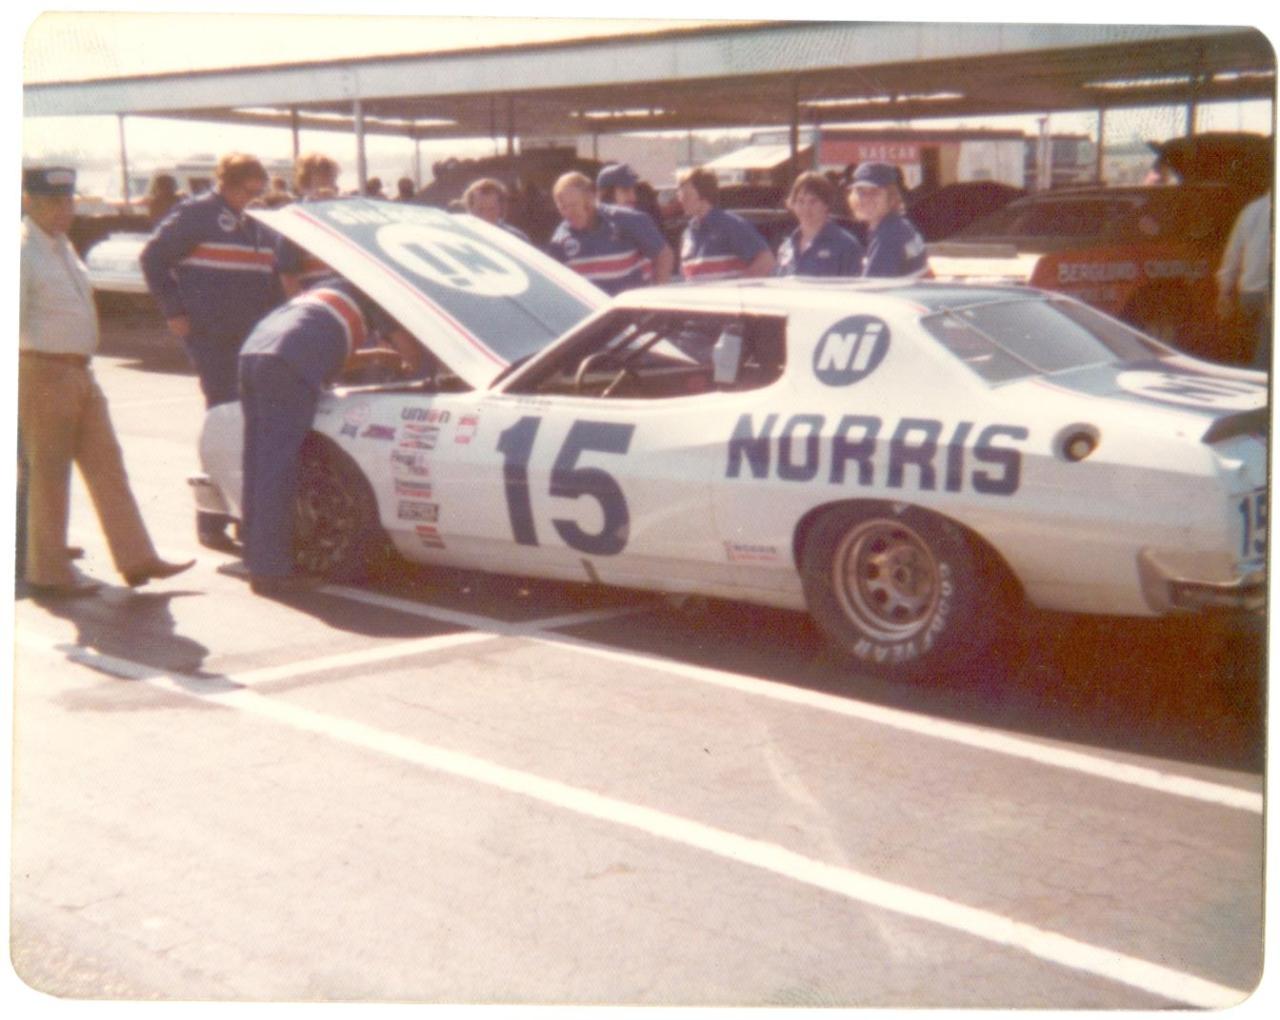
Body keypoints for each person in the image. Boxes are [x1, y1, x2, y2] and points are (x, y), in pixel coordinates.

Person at [19, 167, 194, 597]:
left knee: (107, 464)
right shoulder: (20, 250)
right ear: (27, 202)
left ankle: (137, 558)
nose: (64, 210)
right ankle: (48, 572)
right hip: (42, 370)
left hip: (80, 370)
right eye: (53, 203)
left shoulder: (61, 247)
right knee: (50, 473)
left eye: (68, 201)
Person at [237, 276, 423, 594]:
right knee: (278, 467)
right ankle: (271, 570)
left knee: (258, 462)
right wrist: (422, 371)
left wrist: (376, 356)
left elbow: (322, 347)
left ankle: (255, 555)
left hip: (254, 353)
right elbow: (412, 353)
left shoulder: (334, 286)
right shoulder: (379, 290)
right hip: (286, 361)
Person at [140, 152, 283, 410]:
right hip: (212, 331)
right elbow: (152, 258)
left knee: (258, 402)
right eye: (249, 192)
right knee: (225, 403)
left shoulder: (259, 222)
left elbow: (273, 278)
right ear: (227, 184)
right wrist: (174, 311)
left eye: (259, 192)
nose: (254, 199)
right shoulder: (198, 213)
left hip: (254, 330)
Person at [548, 172, 674, 295]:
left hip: (632, 306)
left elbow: (664, 255)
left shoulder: (627, 220)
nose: (569, 213)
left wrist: (656, 294)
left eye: (574, 205)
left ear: (591, 198)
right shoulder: (560, 240)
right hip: (595, 307)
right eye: (563, 207)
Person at [676, 166, 775, 280]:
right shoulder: (687, 234)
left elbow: (766, 261)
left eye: (686, 195)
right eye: (679, 195)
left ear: (703, 195)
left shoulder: (730, 225)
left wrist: (739, 287)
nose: (680, 200)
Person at [1216, 189, 1272, 369]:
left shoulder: (1250, 211)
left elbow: (1233, 252)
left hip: (1247, 293)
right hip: (1269, 295)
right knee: (1265, 361)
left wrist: (1224, 291)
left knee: (1245, 353)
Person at [846, 161, 928, 278]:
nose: (866, 199)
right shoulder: (899, 225)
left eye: (875, 192)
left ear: (891, 197)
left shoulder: (888, 235)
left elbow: (872, 286)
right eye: (861, 192)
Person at [775, 171, 864, 277]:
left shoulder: (846, 246)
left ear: (826, 204)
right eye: (800, 201)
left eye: (813, 201)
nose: (806, 208)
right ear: (793, 205)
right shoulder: (786, 247)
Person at [277, 152, 341, 297]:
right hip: (313, 298)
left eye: (331, 179)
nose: (328, 186)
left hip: (341, 298)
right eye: (322, 180)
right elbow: (287, 274)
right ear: (305, 184)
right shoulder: (295, 219)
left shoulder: (340, 218)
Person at [462, 177, 530, 242]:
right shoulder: (462, 237)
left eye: (492, 209)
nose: (486, 214)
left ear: (501, 208)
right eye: (480, 209)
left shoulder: (517, 238)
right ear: (470, 209)